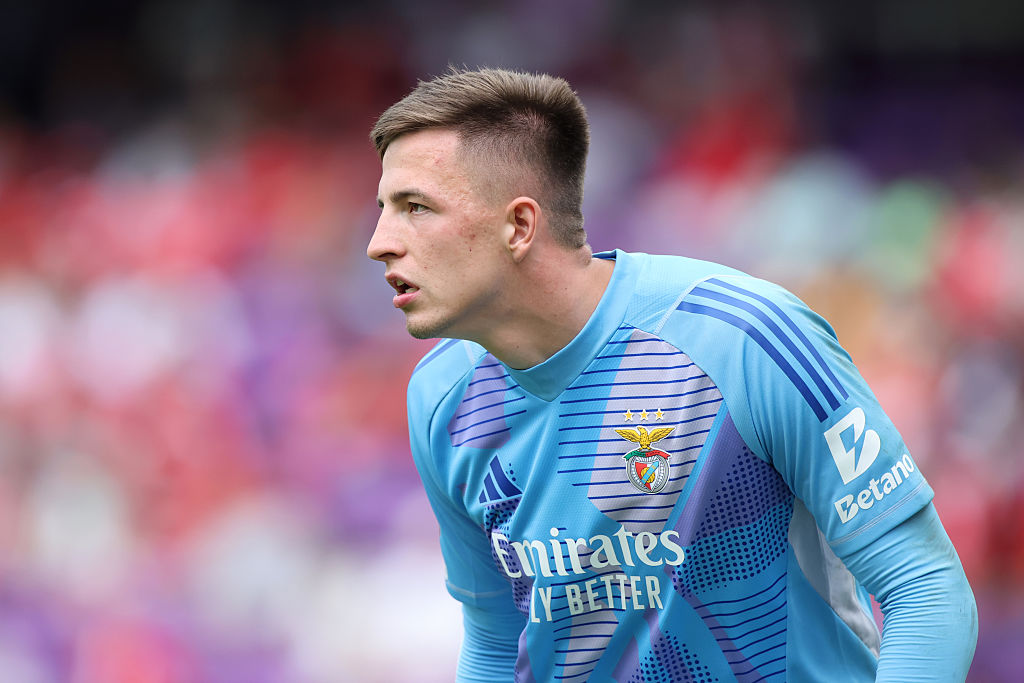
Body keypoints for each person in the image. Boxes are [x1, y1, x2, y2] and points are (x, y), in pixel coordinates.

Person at [366, 67, 978, 682]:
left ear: (519, 226)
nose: (379, 243)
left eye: (415, 207)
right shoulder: (440, 397)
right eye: (384, 209)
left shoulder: (745, 340)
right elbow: (497, 642)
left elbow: (926, 589)